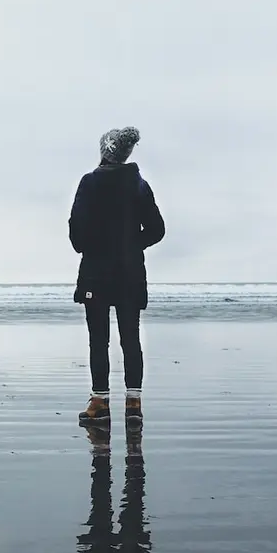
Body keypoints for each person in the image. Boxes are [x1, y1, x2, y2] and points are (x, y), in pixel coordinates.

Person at [68, 127, 165, 435]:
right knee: (130, 338)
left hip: (97, 272)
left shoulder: (90, 183)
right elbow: (157, 229)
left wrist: (96, 243)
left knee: (99, 339)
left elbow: (77, 234)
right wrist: (131, 243)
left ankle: (100, 402)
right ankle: (133, 404)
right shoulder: (139, 185)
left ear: (105, 151)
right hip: (130, 272)